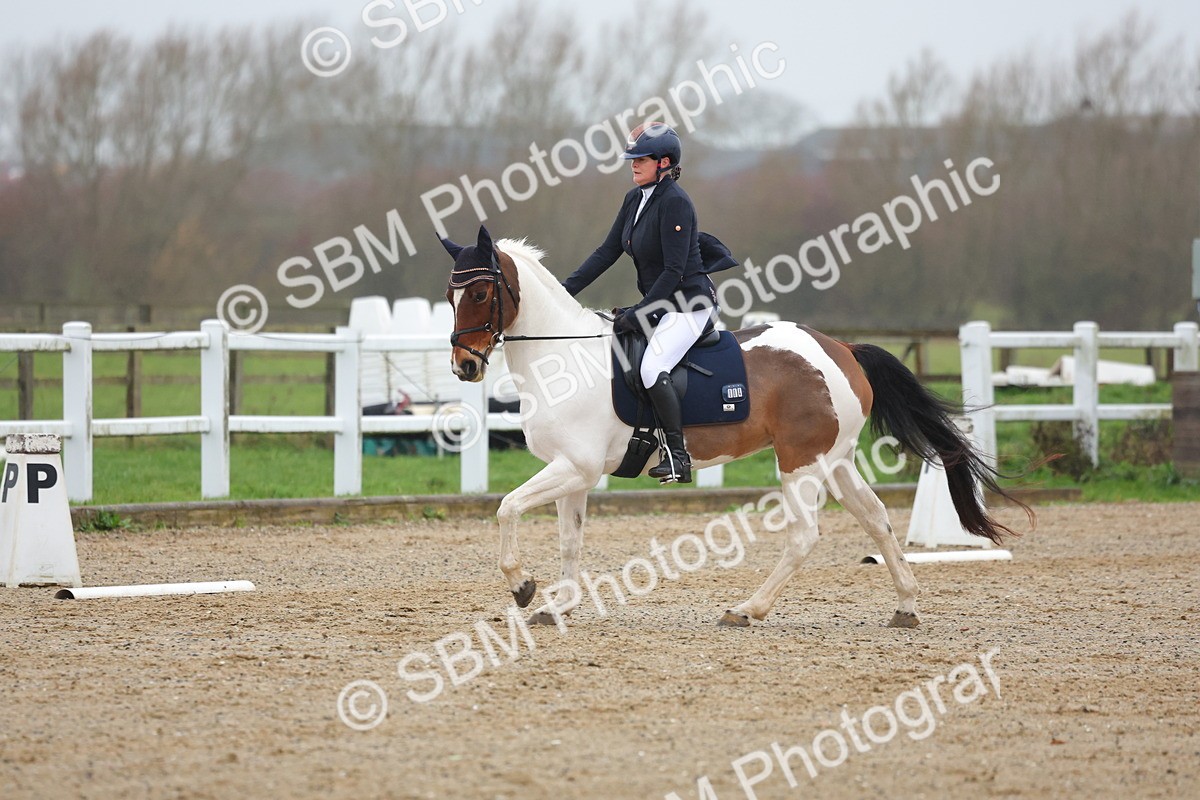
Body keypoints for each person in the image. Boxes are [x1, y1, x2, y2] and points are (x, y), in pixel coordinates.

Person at [561, 122, 717, 483]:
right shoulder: (635, 199)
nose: (633, 164)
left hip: (689, 304)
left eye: (641, 158)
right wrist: (563, 291)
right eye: (632, 158)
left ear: (664, 163)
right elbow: (606, 252)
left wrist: (642, 311)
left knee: (651, 368)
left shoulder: (676, 203)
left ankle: (678, 456)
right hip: (661, 301)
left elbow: (675, 271)